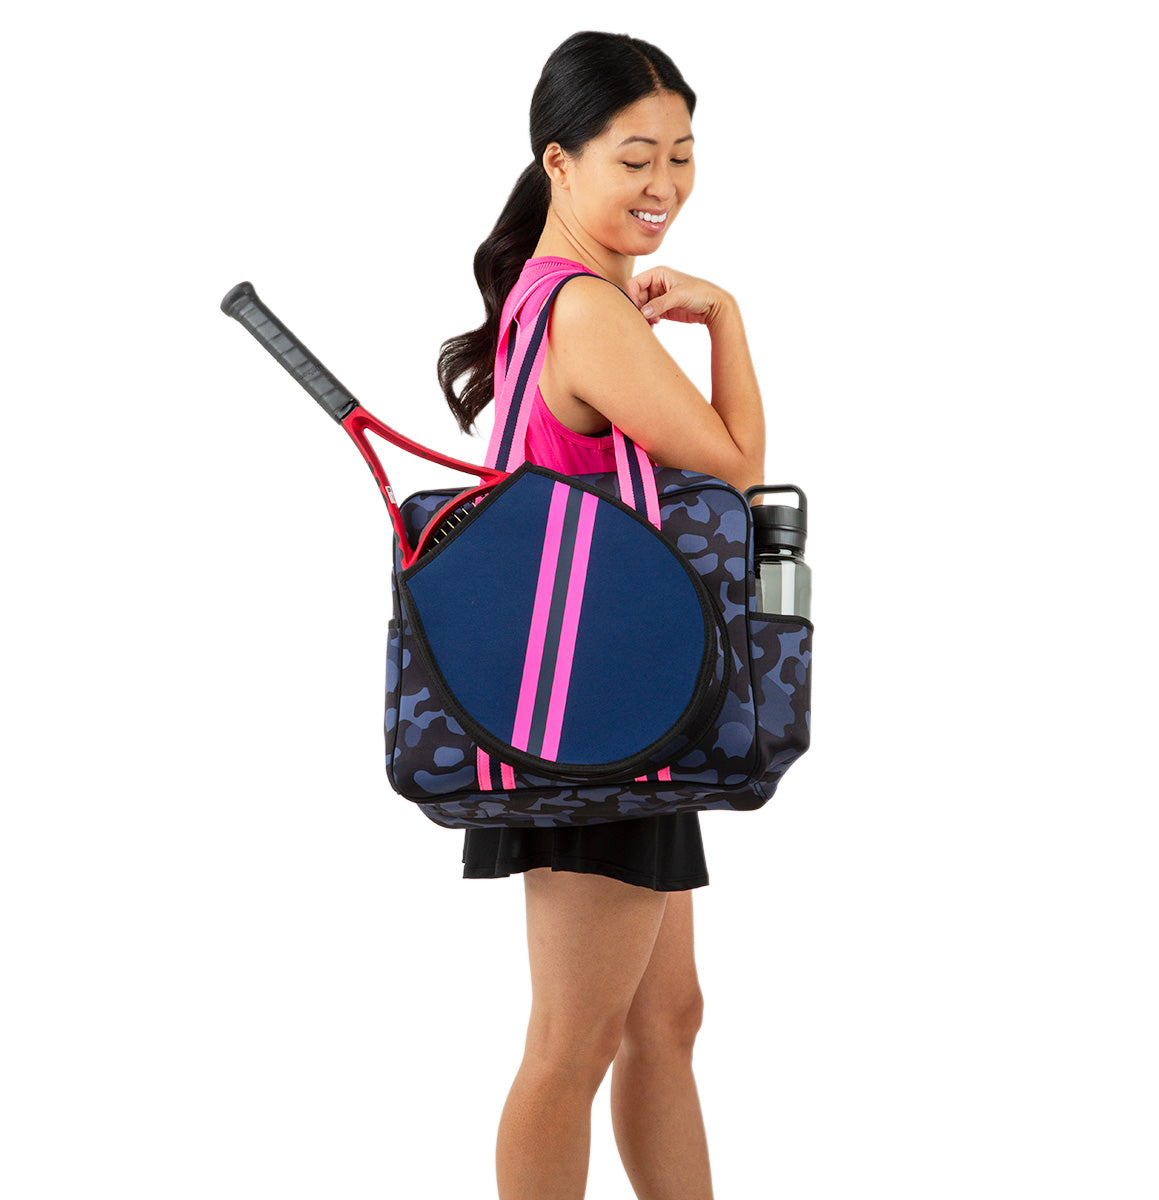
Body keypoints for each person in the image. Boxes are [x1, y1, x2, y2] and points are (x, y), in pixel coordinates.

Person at [437, 31, 765, 1200]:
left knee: (666, 1016)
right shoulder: (586, 312)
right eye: (635, 156)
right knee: (568, 1047)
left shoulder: (551, 293)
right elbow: (731, 469)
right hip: (594, 717)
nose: (664, 185)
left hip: (614, 706)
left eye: (681, 154)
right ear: (559, 160)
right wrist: (726, 321)